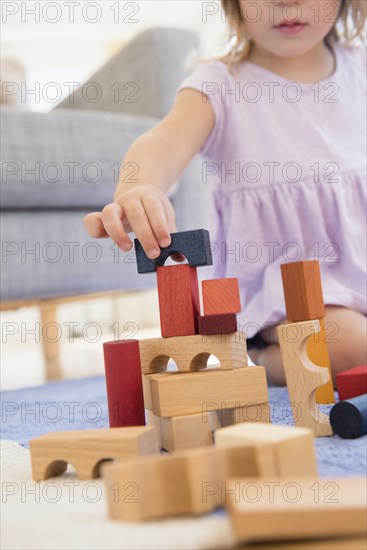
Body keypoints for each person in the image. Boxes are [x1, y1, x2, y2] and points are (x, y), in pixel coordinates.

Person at [85, 0, 366, 385]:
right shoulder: (219, 84)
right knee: (351, 345)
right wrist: (140, 186)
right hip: (286, 299)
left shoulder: (360, 66)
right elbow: (164, 143)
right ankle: (260, 360)